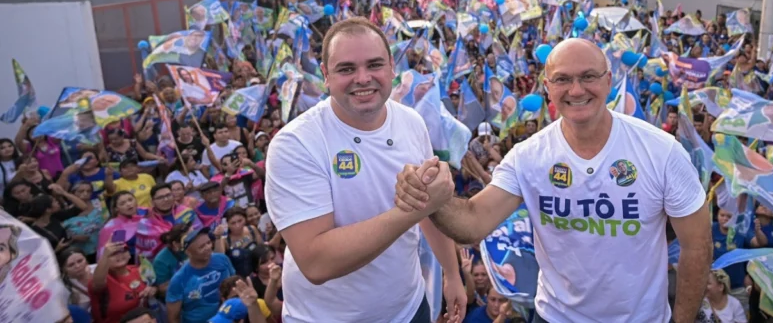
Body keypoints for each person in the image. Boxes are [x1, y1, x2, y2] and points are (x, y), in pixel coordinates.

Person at [395, 38, 712, 323]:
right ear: (547, 87)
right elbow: (473, 222)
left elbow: (696, 244)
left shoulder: (661, 150)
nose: (576, 90)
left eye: (588, 76)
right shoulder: (528, 156)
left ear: (609, 81)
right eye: (563, 80)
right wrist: (430, 197)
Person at [265, 17, 467, 323]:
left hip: (409, 310)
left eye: (374, 65)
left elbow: (430, 211)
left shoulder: (411, 122)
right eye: (346, 69)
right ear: (326, 75)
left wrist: (451, 273)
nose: (363, 78)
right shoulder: (296, 144)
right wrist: (413, 210)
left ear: (391, 68)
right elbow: (317, 262)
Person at [166, 227, 236, 323]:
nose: (208, 248)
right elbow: (173, 317)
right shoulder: (179, 280)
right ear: (188, 253)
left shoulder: (222, 259)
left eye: (208, 243)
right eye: (201, 246)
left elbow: (235, 284)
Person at [89, 241, 157, 323]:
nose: (119, 255)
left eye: (123, 250)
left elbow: (153, 286)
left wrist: (153, 290)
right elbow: (97, 283)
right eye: (113, 254)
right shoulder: (103, 279)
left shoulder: (137, 270)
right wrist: (106, 254)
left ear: (129, 254)